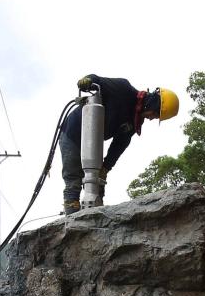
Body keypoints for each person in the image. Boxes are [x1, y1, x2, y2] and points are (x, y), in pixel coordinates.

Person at [59, 75, 179, 214]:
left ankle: (95, 214)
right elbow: (97, 80)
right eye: (156, 114)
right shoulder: (123, 89)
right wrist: (88, 81)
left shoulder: (134, 123)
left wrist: (106, 167)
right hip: (73, 132)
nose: (152, 118)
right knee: (74, 178)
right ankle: (71, 216)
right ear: (152, 103)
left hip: (93, 142)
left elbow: (118, 146)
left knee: (97, 181)